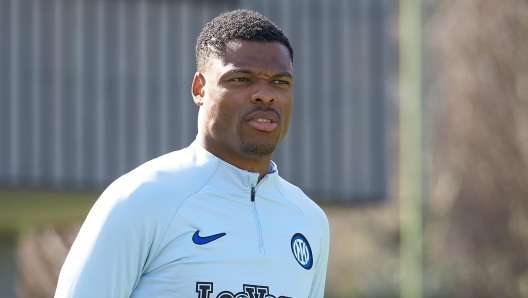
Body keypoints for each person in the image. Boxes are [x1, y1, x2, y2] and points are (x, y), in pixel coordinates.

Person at [55, 9, 329, 298]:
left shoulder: (309, 219)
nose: (265, 94)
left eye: (280, 82)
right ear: (200, 88)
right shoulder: (141, 198)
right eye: (241, 79)